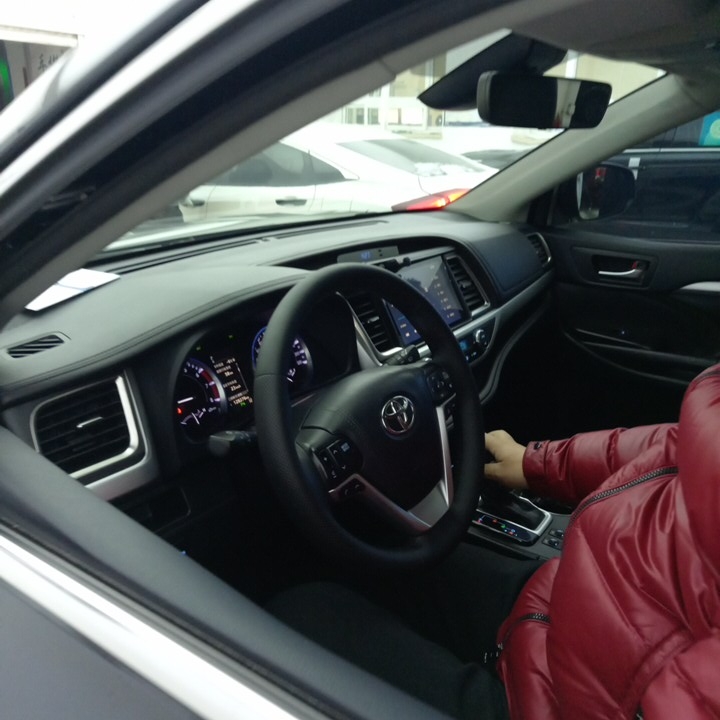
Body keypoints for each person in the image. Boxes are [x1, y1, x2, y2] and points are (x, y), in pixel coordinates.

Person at [270, 365, 720, 719]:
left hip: (550, 702)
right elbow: (687, 446)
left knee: (298, 612)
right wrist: (537, 464)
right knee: (379, 561)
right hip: (570, 594)